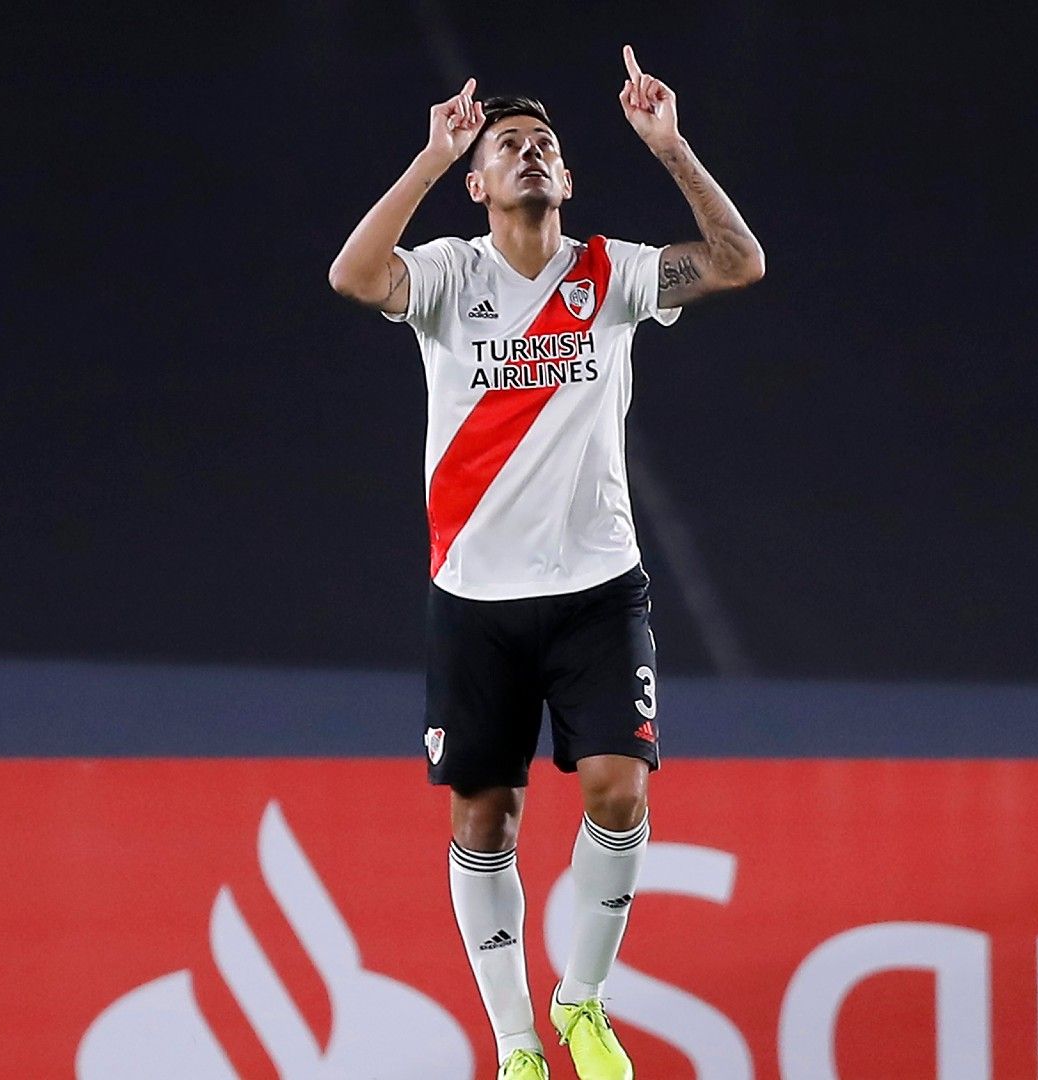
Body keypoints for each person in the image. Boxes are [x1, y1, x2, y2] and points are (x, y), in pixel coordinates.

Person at [327, 46, 764, 1080]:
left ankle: (582, 1004)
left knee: (619, 790)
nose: (531, 154)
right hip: (475, 602)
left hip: (597, 594)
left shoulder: (609, 274)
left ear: (566, 181)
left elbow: (740, 261)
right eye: (508, 146)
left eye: (547, 147)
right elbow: (352, 275)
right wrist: (430, 160)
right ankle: (519, 1046)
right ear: (479, 183)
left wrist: (672, 147)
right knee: (484, 815)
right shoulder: (446, 274)